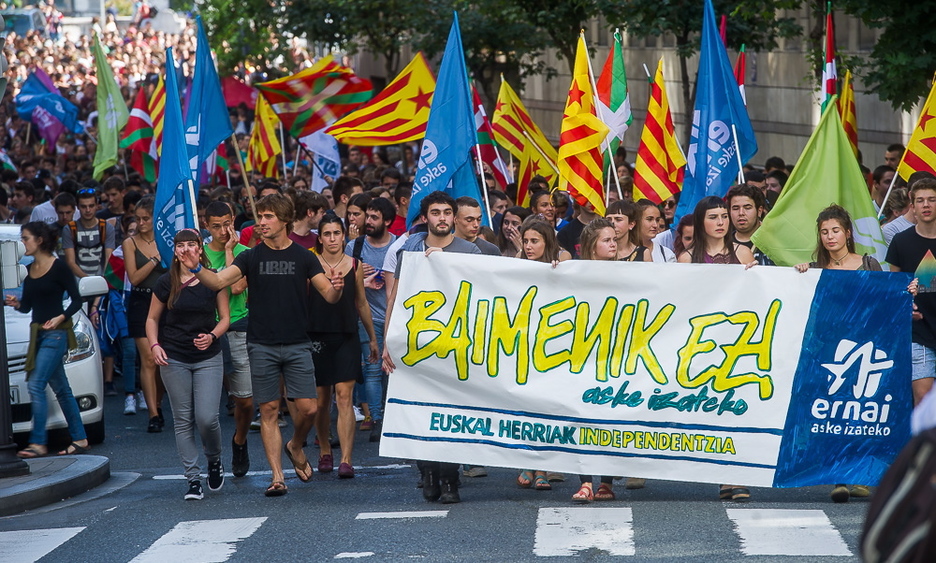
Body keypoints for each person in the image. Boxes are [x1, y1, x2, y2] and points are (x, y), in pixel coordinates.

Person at [178, 193, 345, 497]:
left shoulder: (304, 256)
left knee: (308, 409)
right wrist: (195, 267)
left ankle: (295, 445)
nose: (261, 222)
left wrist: (336, 289)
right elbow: (218, 283)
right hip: (261, 343)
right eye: (260, 216)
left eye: (268, 216)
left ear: (284, 220)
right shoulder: (250, 256)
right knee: (268, 409)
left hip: (297, 343)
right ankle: (277, 477)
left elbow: (329, 297)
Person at [382, 191, 482, 504]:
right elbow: (395, 299)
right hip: (414, 346)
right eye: (435, 212)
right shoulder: (409, 248)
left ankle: (450, 480)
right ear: (426, 218)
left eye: (447, 212)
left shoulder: (471, 250)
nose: (442, 218)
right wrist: (387, 342)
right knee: (418, 413)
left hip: (453, 348)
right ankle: (427, 471)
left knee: (450, 414)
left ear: (454, 217)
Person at [794, 204, 894, 503]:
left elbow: (886, 301)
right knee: (833, 411)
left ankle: (860, 475)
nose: (830, 236)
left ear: (847, 233)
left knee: (861, 410)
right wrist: (798, 275)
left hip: (865, 349)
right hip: (828, 352)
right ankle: (837, 476)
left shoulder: (868, 263)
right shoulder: (814, 270)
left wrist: (910, 291)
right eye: (824, 232)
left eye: (835, 230)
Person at [677, 196, 755, 502]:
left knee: (737, 406)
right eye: (714, 217)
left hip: (738, 340)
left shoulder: (744, 252)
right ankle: (723, 472)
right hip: (702, 341)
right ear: (701, 222)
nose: (722, 222)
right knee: (713, 409)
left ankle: (736, 475)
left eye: (725, 216)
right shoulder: (686, 259)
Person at [146, 229, 230, 500]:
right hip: (174, 357)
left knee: (207, 418)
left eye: (191, 245)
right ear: (174, 251)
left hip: (208, 356)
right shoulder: (165, 282)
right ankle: (193, 479)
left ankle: (214, 459)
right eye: (180, 246)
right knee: (183, 420)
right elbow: (151, 319)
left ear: (199, 248)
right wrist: (155, 345)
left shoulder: (212, 278)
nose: (185, 250)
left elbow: (225, 318)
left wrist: (213, 335)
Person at [6, 222, 89, 459]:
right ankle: (80, 438)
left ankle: (38, 442)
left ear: (40, 240)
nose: (23, 243)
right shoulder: (30, 270)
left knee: (35, 384)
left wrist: (59, 317)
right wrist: (17, 303)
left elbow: (76, 300)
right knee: (62, 389)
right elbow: (29, 307)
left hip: (56, 335)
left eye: (26, 239)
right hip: (39, 335)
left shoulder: (59, 267)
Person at [311, 213, 379, 478]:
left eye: (336, 233)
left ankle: (347, 459)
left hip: (347, 334)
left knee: (344, 396)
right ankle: (325, 449)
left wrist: (372, 337)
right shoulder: (311, 263)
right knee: (320, 400)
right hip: (316, 335)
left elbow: (361, 302)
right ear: (320, 238)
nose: (332, 239)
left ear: (344, 235)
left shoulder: (355, 264)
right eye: (327, 234)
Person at [514, 216, 569, 489]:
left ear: (547, 242)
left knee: (547, 405)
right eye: (525, 241)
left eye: (534, 241)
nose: (528, 246)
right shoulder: (517, 264)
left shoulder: (562, 262)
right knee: (526, 404)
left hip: (552, 347)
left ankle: (544, 467)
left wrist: (561, 273)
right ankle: (528, 462)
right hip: (523, 344)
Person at [203, 201, 253, 477]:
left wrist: (230, 251)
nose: (223, 231)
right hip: (207, 333)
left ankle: (240, 441)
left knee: (244, 400)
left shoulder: (245, 252)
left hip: (238, 329)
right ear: (206, 225)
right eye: (216, 226)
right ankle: (214, 457)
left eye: (227, 224)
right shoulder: (199, 255)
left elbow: (235, 287)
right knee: (207, 411)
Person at [572, 218, 618, 502]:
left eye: (614, 239)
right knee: (582, 417)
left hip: (617, 356)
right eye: (607, 240)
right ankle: (586, 481)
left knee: (610, 417)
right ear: (591, 246)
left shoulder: (630, 272)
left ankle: (607, 482)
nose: (613, 244)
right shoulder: (572, 272)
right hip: (581, 355)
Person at [347, 198, 398, 441]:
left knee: (397, 371)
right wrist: (360, 280)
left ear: (387, 222)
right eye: (367, 216)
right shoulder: (354, 247)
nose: (368, 222)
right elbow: (342, 284)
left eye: (374, 218)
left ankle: (395, 416)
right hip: (366, 319)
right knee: (373, 370)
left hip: (397, 319)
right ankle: (377, 419)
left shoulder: (399, 247)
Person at [886, 177, 936, 406]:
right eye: (920, 200)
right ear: (912, 206)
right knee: (923, 397)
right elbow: (894, 288)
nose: (926, 205)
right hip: (918, 332)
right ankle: (922, 443)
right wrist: (905, 301)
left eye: (932, 200)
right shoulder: (900, 241)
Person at [122, 195, 168, 433]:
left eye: (145, 219)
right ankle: (153, 413)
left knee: (163, 360)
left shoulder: (166, 239)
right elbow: (135, 277)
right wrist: (154, 260)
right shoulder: (130, 243)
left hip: (166, 300)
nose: (140, 224)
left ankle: (158, 402)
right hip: (141, 300)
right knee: (148, 359)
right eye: (137, 219)